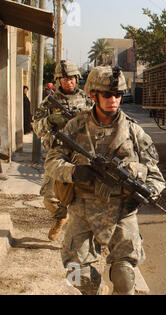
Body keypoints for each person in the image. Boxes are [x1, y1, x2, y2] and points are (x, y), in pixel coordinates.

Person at [44, 66, 166, 295]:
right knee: (74, 271)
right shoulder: (75, 127)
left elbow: (156, 177)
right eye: (107, 95)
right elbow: (51, 163)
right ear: (93, 95)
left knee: (125, 275)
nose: (114, 100)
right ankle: (96, 291)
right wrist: (74, 172)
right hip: (82, 207)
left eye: (118, 95)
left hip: (122, 209)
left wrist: (148, 191)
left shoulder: (134, 132)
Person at [32, 60, 94, 241]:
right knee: (48, 197)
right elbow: (36, 128)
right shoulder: (49, 102)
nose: (68, 82)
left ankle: (85, 236)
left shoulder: (87, 100)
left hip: (82, 155)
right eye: (64, 78)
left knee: (86, 197)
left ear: (77, 78)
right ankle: (61, 217)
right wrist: (50, 121)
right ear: (58, 80)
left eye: (71, 78)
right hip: (58, 155)